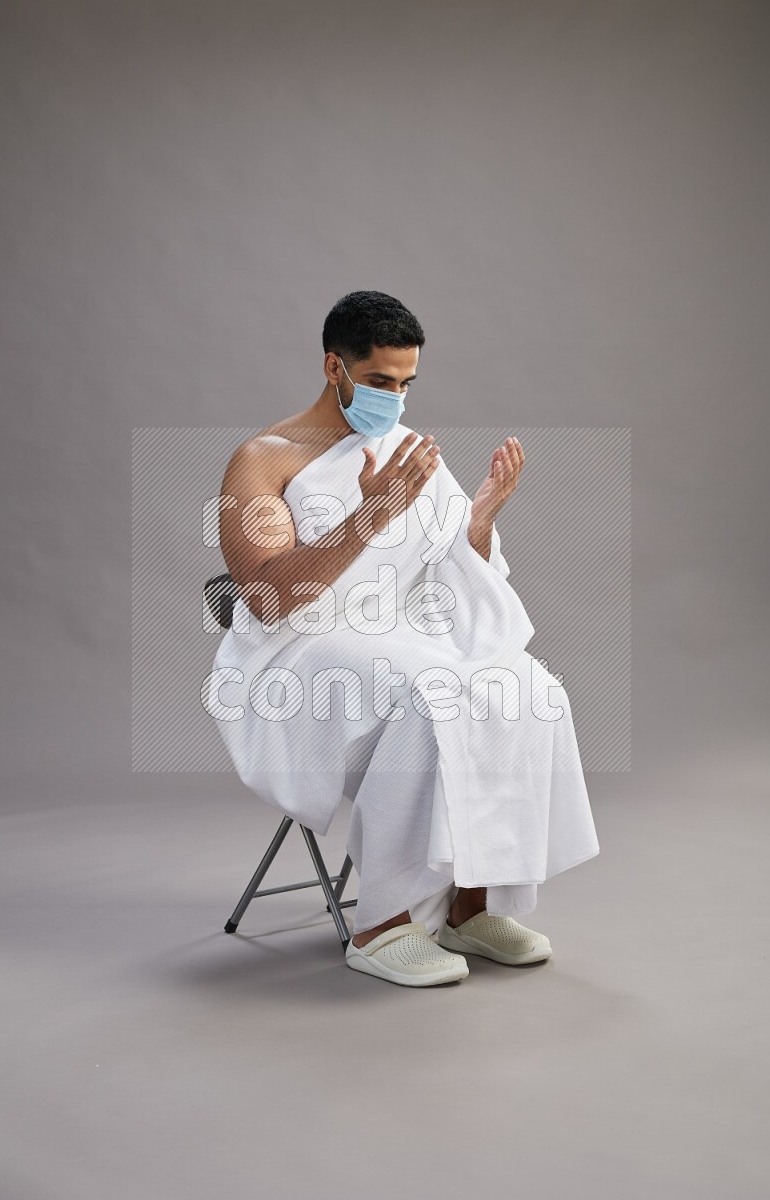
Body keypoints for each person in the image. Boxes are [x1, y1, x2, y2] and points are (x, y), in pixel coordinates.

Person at [206, 290, 600, 988]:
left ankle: (470, 905)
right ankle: (382, 925)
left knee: (524, 685)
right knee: (432, 694)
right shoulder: (263, 460)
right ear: (335, 367)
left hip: (399, 633)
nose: (395, 398)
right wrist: (371, 512)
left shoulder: (405, 452)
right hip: (298, 651)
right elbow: (269, 598)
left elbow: (448, 569)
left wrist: (477, 522)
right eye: (381, 381)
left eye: (407, 383)